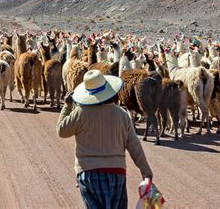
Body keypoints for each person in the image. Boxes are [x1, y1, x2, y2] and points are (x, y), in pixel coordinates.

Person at [56, 70, 153, 209]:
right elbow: (134, 146)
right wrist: (146, 173)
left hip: (88, 174)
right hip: (116, 173)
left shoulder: (81, 113)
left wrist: (67, 105)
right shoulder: (122, 115)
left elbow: (61, 130)